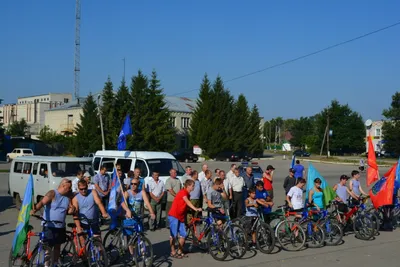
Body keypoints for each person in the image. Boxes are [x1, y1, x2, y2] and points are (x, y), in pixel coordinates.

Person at [30, 179, 76, 265]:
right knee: (48, 247)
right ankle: (46, 265)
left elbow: (69, 210)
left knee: (57, 246)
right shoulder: (52, 193)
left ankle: (55, 263)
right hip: (49, 225)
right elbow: (42, 202)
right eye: (68, 187)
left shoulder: (67, 197)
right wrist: (35, 209)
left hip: (61, 226)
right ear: (63, 185)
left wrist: (72, 209)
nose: (70, 189)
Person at [121, 177, 156, 259]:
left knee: (140, 237)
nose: (133, 185)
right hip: (128, 219)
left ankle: (144, 256)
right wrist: (127, 210)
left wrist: (152, 212)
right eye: (132, 184)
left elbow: (147, 202)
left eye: (135, 184)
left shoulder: (142, 192)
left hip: (138, 218)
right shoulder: (127, 192)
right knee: (130, 239)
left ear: (138, 185)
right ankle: (133, 257)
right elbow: (122, 203)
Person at [168, 179, 202, 259]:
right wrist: (195, 208)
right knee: (173, 235)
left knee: (183, 235)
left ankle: (179, 251)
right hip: (174, 215)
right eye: (192, 185)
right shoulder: (182, 192)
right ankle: (172, 252)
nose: (193, 187)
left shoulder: (188, 194)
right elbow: (187, 202)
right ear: (188, 186)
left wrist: (190, 214)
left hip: (181, 217)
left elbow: (185, 206)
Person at [72, 179, 109, 249]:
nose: (83, 190)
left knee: (98, 240)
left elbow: (99, 203)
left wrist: (104, 213)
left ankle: (101, 256)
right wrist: (78, 227)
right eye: (81, 189)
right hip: (83, 222)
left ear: (87, 186)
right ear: (78, 188)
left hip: (94, 221)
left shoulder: (93, 192)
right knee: (83, 241)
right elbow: (75, 213)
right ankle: (85, 258)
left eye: (85, 188)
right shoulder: (75, 198)